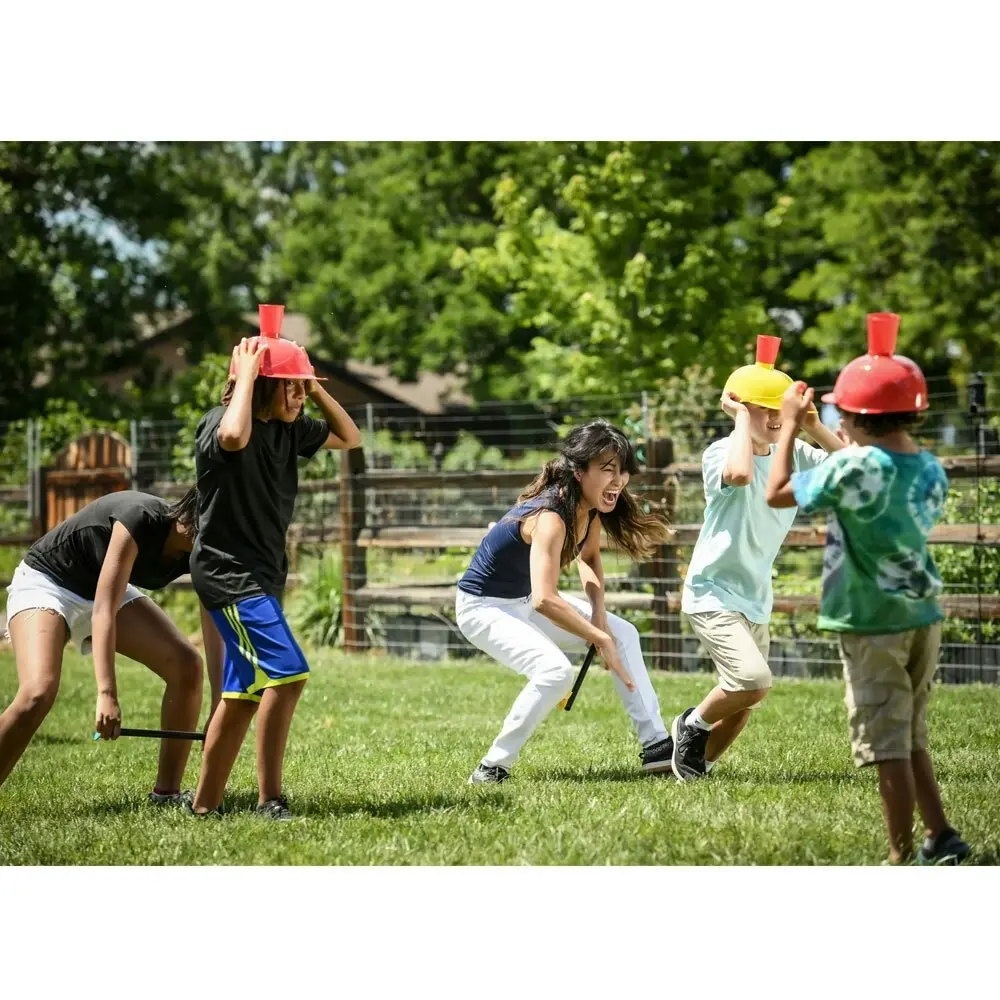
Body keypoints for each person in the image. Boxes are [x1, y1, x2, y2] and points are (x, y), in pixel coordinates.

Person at [766, 312, 970, 865]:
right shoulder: (930, 468)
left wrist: (788, 424)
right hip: (923, 614)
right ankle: (940, 835)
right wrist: (815, 428)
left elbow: (777, 492)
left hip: (872, 621)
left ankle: (900, 858)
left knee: (886, 745)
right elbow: (866, 475)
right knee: (911, 733)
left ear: (852, 415)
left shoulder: (853, 468)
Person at [188, 305, 361, 819]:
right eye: (289, 387)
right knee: (288, 676)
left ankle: (203, 808)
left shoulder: (292, 430)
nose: (299, 397)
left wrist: (312, 384)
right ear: (260, 385)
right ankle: (269, 799)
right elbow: (234, 437)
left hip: (262, 575)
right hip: (227, 573)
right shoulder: (221, 422)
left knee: (241, 694)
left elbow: (349, 437)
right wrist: (245, 378)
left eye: (301, 388)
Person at [456, 419, 675, 784]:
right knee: (555, 672)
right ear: (579, 471)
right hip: (484, 608)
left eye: (623, 472)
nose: (619, 481)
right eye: (608, 470)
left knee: (625, 634)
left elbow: (588, 560)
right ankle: (492, 768)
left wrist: (601, 620)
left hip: (523, 600)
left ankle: (656, 747)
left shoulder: (587, 511)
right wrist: (598, 638)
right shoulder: (550, 517)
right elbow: (545, 599)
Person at [671, 335, 846, 782]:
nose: (771, 418)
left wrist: (809, 423)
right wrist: (743, 418)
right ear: (741, 409)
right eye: (761, 409)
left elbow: (853, 467)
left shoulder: (796, 453)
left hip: (754, 595)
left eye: (776, 409)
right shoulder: (721, 451)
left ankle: (697, 767)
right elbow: (741, 472)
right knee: (753, 680)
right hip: (712, 591)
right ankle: (691, 726)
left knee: (748, 698)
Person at [0, 487, 222, 803]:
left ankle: (166, 793)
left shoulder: (205, 553)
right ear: (200, 516)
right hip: (49, 583)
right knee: (37, 692)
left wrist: (219, 707)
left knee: (186, 665)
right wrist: (107, 694)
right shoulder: (141, 517)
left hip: (104, 590)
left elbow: (213, 626)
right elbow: (104, 609)